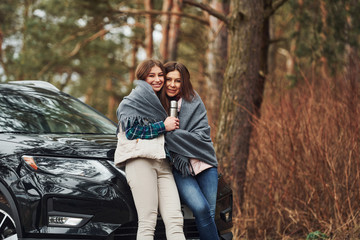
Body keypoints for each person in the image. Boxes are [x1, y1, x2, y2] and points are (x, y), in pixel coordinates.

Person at [114, 59, 185, 240]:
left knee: (175, 219)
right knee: (148, 221)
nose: (157, 79)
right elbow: (131, 132)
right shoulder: (130, 102)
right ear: (142, 78)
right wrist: (163, 125)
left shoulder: (162, 103)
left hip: (162, 163)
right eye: (151, 75)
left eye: (160, 75)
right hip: (140, 162)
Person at [160, 61, 220, 240]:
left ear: (184, 82)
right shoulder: (157, 104)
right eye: (169, 79)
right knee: (200, 208)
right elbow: (159, 136)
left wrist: (173, 134)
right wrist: (168, 131)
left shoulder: (194, 100)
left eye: (177, 81)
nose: (172, 84)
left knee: (209, 213)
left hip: (204, 162)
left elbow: (203, 136)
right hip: (180, 166)